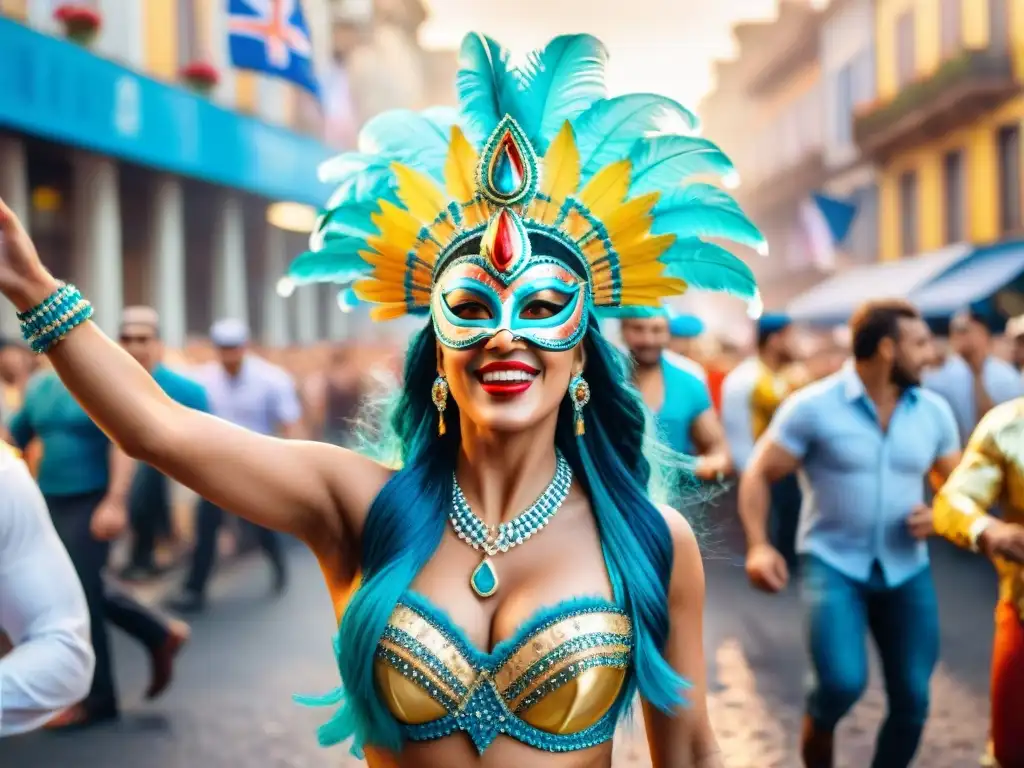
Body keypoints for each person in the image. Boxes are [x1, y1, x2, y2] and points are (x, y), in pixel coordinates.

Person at [0, 30, 766, 765]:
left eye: (539, 310)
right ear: (437, 359)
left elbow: (692, 751)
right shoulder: (360, 508)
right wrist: (33, 289)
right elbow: (158, 429)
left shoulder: (651, 542)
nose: (504, 336)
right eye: (469, 311)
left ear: (581, 356)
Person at [740, 299, 962, 768]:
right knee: (839, 684)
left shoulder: (934, 412)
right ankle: (818, 728)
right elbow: (759, 473)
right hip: (833, 565)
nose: (930, 354)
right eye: (920, 343)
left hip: (907, 570)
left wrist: (941, 512)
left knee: (913, 701)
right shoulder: (813, 408)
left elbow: (956, 487)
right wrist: (759, 546)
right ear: (887, 348)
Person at [5, 346, 188, 729]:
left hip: (93, 499)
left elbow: (121, 440)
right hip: (49, 499)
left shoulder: (94, 378)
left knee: (84, 593)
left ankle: (99, 699)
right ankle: (157, 631)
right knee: (75, 584)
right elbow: (17, 435)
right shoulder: (38, 386)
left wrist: (116, 501)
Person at [164, 318, 300, 613]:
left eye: (234, 348)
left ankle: (277, 564)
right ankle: (194, 589)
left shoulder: (271, 378)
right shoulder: (200, 379)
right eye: (223, 348)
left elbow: (289, 424)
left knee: (263, 523)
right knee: (207, 526)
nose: (229, 354)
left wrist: (290, 466)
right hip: (216, 467)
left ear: (245, 347)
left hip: (257, 465)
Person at [931, 397, 1024, 768]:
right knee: (1010, 751)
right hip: (1022, 610)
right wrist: (988, 529)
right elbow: (953, 500)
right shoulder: (1007, 425)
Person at [0, 443, 95, 736]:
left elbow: (63, 648)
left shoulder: (4, 475)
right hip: (53, 495)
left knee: (95, 585)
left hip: (85, 497)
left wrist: (116, 500)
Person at [116, 306, 211, 581]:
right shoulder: (106, 385)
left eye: (143, 339)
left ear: (158, 343)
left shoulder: (187, 389)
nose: (135, 346)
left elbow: (204, 442)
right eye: (127, 338)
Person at [722, 313, 804, 566]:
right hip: (758, 467)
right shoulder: (747, 379)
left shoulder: (781, 375)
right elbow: (736, 429)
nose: (797, 343)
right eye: (791, 337)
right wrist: (749, 469)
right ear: (775, 340)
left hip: (778, 467)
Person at [620, 312, 732, 485]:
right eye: (638, 329)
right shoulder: (607, 376)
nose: (648, 340)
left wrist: (712, 464)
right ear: (623, 330)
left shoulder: (688, 381)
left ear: (667, 333)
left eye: (657, 330)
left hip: (675, 501)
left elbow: (717, 448)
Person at [924, 308, 1023, 444]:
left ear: (984, 335)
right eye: (955, 331)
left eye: (965, 330)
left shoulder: (1007, 376)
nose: (960, 337)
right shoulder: (940, 376)